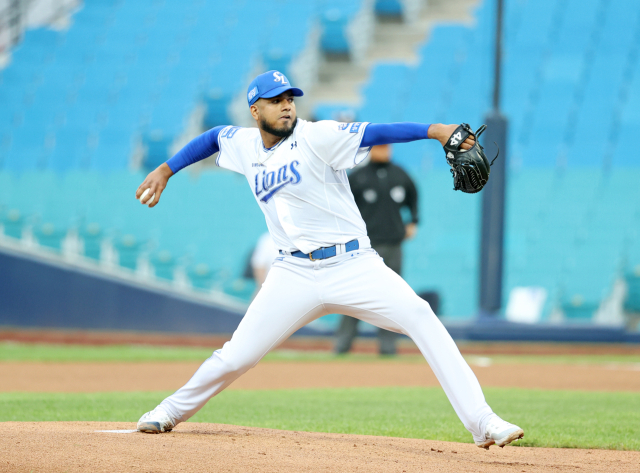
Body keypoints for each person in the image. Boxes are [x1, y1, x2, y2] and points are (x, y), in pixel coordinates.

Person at [134, 70, 524, 449]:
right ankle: (168, 411)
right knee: (237, 356)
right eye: (275, 101)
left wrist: (436, 130)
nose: (286, 106)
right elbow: (212, 138)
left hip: (353, 265)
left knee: (421, 316)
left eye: (290, 99)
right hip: (293, 273)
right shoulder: (244, 145)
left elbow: (378, 132)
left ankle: (482, 421)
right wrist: (167, 169)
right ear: (255, 111)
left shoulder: (317, 135)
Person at [334, 144, 418, 355]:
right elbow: (342, 205)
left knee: (392, 296)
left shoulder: (400, 175)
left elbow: (413, 198)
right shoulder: (359, 177)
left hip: (392, 244)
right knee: (353, 296)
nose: (383, 151)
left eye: (386, 147)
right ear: (371, 150)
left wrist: (413, 222)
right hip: (363, 247)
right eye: (379, 147)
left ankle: (388, 346)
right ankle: (343, 344)